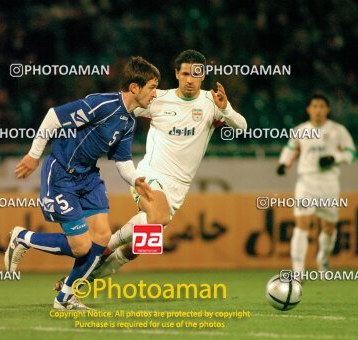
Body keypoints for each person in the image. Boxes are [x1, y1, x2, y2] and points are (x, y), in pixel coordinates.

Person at [75, 49, 247, 282]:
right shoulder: (158, 99)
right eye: (185, 73)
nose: (189, 79)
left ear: (203, 75)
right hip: (150, 175)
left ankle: (84, 279)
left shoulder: (212, 102)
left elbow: (242, 127)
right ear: (176, 73)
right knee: (158, 218)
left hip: (179, 188)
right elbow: (122, 106)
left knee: (139, 248)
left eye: (195, 74)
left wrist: (226, 108)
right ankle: (103, 246)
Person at [4, 56, 159, 310]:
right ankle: (23, 237)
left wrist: (135, 179)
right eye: (152, 87)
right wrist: (34, 155)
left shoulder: (129, 122)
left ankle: (65, 298)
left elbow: (122, 161)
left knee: (102, 236)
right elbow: (54, 116)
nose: (155, 94)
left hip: (88, 178)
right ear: (134, 87)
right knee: (81, 246)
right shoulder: (102, 104)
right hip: (62, 173)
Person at [276, 94, 356, 274]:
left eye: (321, 106)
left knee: (329, 227)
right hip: (306, 181)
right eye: (314, 106)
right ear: (308, 109)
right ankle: (297, 271)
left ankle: (323, 258)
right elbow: (290, 148)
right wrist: (283, 164)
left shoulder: (338, 130)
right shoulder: (300, 130)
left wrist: (335, 158)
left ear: (327, 109)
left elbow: (352, 154)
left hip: (329, 182)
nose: (318, 110)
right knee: (302, 223)